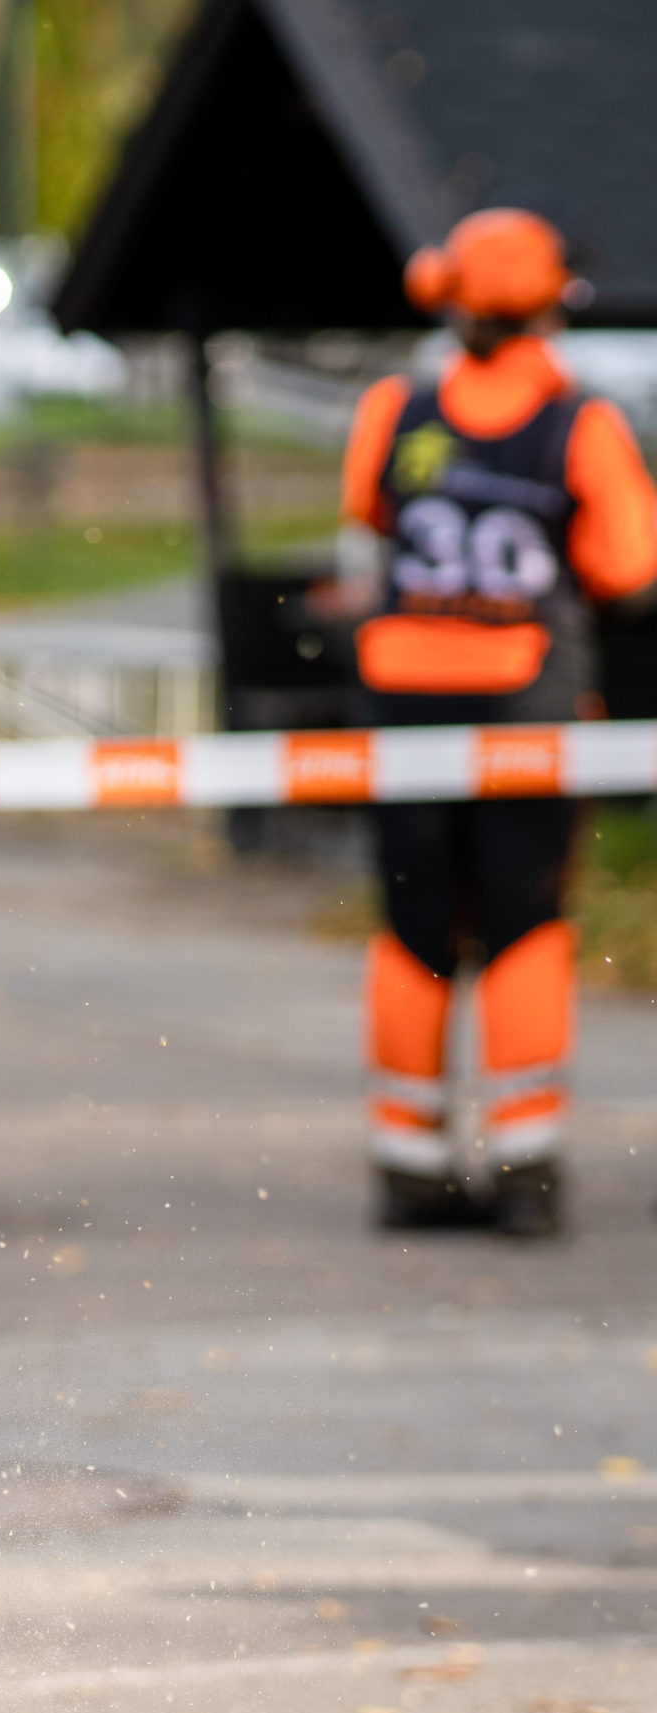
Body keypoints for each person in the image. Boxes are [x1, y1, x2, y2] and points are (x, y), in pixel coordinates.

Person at [341, 208, 657, 1236]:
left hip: (401, 704)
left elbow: (367, 515)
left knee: (414, 926)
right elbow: (629, 563)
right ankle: (523, 1171)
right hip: (528, 708)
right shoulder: (582, 424)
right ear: (550, 311)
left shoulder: (394, 408)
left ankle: (409, 1162)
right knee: (522, 927)